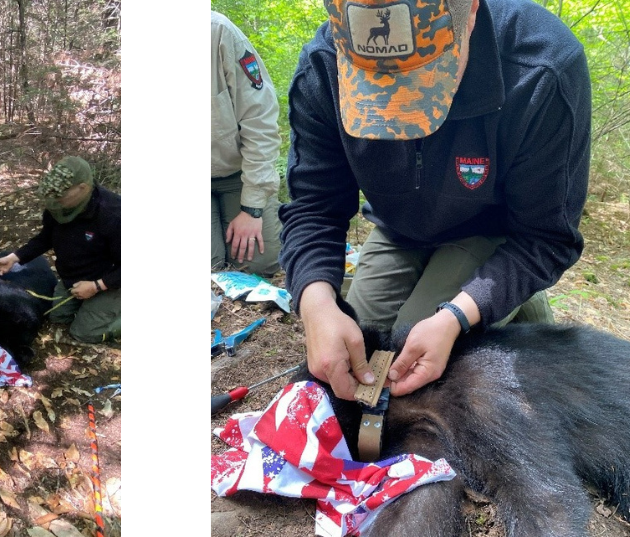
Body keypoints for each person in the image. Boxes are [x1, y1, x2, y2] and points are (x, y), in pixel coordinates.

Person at [280, 0, 591, 400]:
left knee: (420, 349)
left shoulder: (542, 68)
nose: (401, 116)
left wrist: (458, 314)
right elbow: (313, 207)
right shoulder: (323, 68)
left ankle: (520, 315)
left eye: (423, 82)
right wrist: (316, 304)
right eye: (376, 90)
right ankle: (498, 303)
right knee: (364, 342)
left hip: (493, 231)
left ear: (472, 13)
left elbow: (548, 237)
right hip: (397, 227)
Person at [0, 156, 120, 344]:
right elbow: (46, 238)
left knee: (84, 334)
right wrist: (15, 257)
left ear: (82, 188)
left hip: (108, 281)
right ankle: (92, 307)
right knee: (58, 317)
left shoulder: (114, 214)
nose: (54, 200)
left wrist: (96, 286)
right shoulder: (58, 207)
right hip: (72, 277)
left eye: (61, 195)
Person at [211, 10, 283, 277]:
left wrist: (252, 208)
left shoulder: (219, 32)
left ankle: (269, 214)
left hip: (239, 174)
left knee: (258, 265)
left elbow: (260, 120)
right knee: (209, 267)